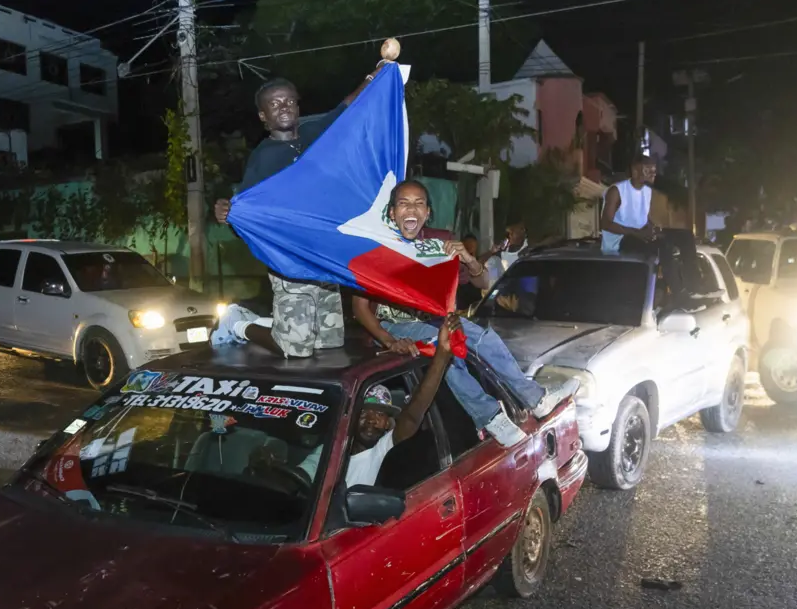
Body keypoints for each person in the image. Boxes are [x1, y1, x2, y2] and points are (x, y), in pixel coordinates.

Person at [350, 179, 576, 447]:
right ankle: (490, 417)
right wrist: (389, 340)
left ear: (427, 213)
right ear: (391, 212)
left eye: (419, 203)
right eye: (403, 203)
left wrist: (468, 259)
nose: (411, 209)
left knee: (483, 338)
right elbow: (359, 308)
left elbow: (482, 284)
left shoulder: (438, 244)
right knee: (442, 346)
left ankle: (538, 400)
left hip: (430, 319)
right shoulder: (377, 249)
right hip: (392, 327)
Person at [214, 69, 381, 358]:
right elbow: (245, 209)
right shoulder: (263, 157)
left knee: (329, 343)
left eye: (289, 101)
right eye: (275, 104)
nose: (284, 107)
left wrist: (376, 75)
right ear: (263, 116)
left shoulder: (312, 134)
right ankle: (239, 323)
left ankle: (283, 326)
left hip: (322, 258)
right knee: (296, 347)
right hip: (290, 261)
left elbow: (345, 109)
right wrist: (226, 212)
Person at [248, 315, 458, 490]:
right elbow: (299, 479)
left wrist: (441, 357)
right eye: (364, 412)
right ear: (350, 417)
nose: (371, 420)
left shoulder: (384, 449)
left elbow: (413, 414)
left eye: (380, 414)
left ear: (388, 424)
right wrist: (270, 472)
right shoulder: (330, 451)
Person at [601, 156, 658, 255]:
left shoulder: (648, 191)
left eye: (654, 170)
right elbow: (605, 224)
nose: (653, 174)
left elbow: (643, 220)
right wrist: (636, 233)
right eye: (648, 170)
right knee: (642, 246)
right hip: (617, 246)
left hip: (636, 241)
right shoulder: (616, 191)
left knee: (674, 239)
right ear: (635, 172)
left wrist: (652, 229)